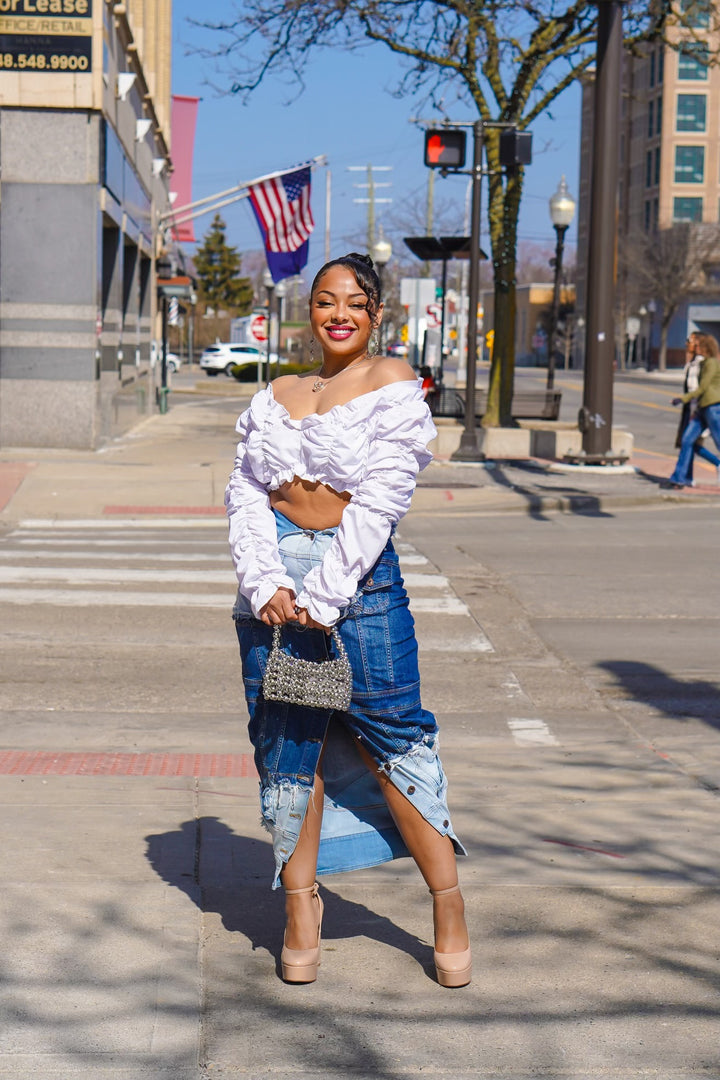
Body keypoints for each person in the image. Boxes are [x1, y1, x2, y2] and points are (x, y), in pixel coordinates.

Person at [225, 253, 470, 988]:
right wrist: (265, 580)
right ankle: (301, 909)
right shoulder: (277, 390)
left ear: (375, 312)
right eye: (325, 301)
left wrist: (324, 595)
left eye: (354, 303)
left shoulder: (390, 381)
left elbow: (382, 501)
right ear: (311, 310)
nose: (338, 313)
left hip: (357, 584)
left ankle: (447, 905)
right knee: (287, 748)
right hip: (272, 589)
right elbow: (245, 492)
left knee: (396, 740)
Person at [664, 332, 720, 489]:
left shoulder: (711, 363)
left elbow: (701, 388)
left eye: (696, 343)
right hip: (701, 408)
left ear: (704, 346)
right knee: (687, 440)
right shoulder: (700, 363)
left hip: (712, 406)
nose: (691, 345)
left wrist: (683, 399)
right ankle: (679, 478)